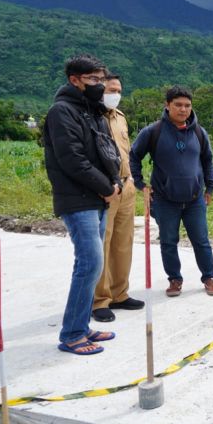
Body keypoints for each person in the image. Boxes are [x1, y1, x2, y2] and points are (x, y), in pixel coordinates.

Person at [43, 54, 121, 355]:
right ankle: (72, 333)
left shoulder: (90, 110)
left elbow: (106, 150)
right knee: (89, 263)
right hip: (78, 199)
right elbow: (72, 159)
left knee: (92, 263)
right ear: (75, 80)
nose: (99, 85)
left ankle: (82, 325)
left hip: (97, 198)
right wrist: (105, 187)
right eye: (93, 80)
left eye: (101, 79)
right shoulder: (62, 112)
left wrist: (114, 183)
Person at [129, 85, 213, 297]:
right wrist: (140, 184)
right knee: (169, 241)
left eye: (187, 105)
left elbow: (207, 160)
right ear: (167, 105)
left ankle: (209, 277)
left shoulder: (199, 132)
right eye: (178, 105)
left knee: (201, 240)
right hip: (164, 199)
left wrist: (210, 187)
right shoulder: (153, 131)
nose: (183, 109)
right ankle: (174, 280)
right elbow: (133, 156)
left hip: (195, 199)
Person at [92, 73, 145, 322]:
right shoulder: (91, 117)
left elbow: (127, 153)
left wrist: (132, 180)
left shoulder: (120, 118)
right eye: (111, 89)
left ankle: (119, 293)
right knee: (102, 245)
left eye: (119, 90)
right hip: (105, 190)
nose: (116, 94)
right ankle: (100, 300)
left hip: (126, 187)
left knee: (123, 245)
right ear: (99, 90)